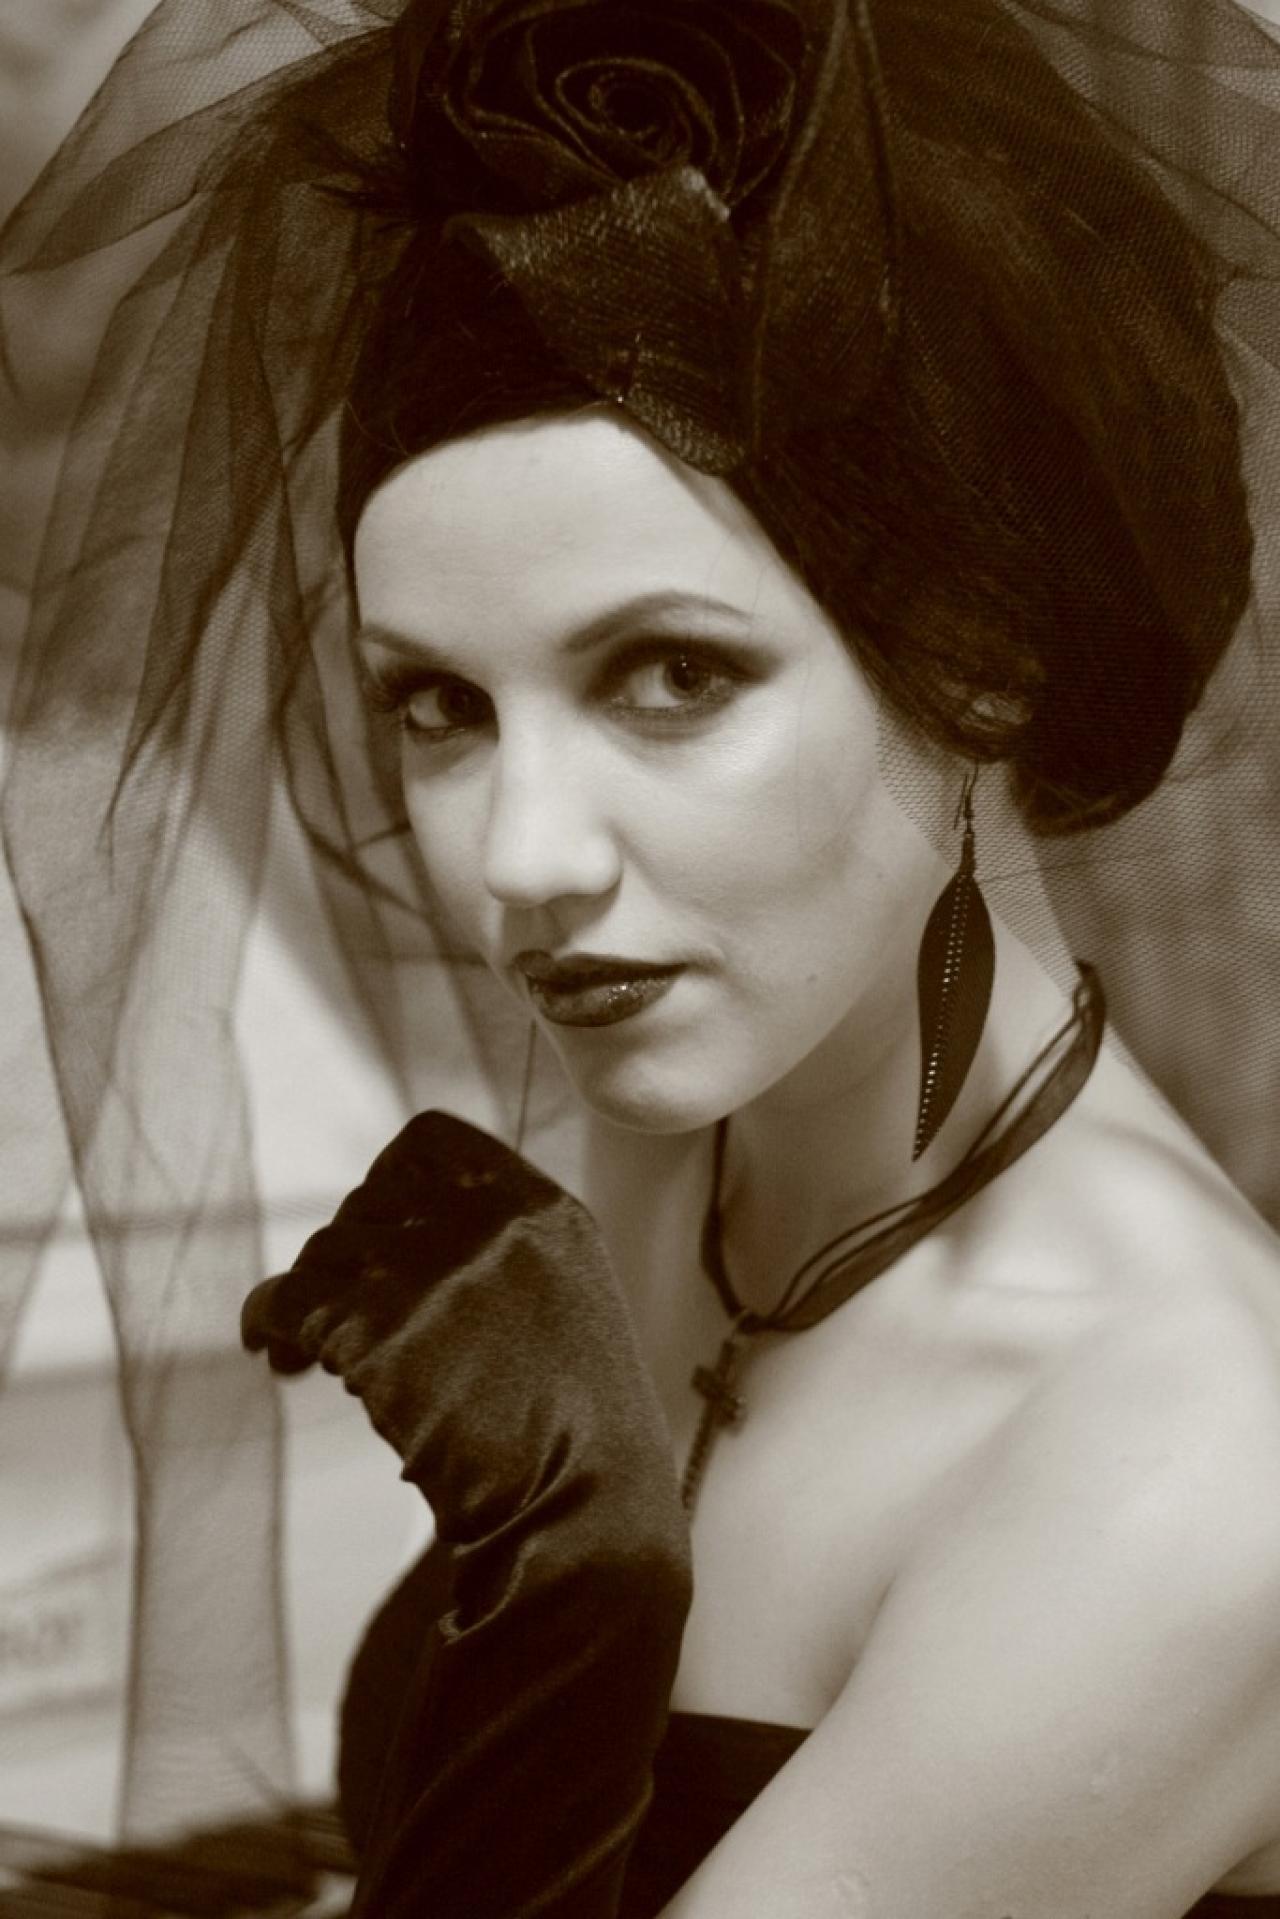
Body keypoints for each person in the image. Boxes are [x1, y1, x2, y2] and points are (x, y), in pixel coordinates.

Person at [5, 0, 1280, 1913]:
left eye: (671, 676)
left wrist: (566, 1566)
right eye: (437, 705)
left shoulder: (1188, 1473)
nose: (521, 856)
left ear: (986, 660)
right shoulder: (701, 1137)